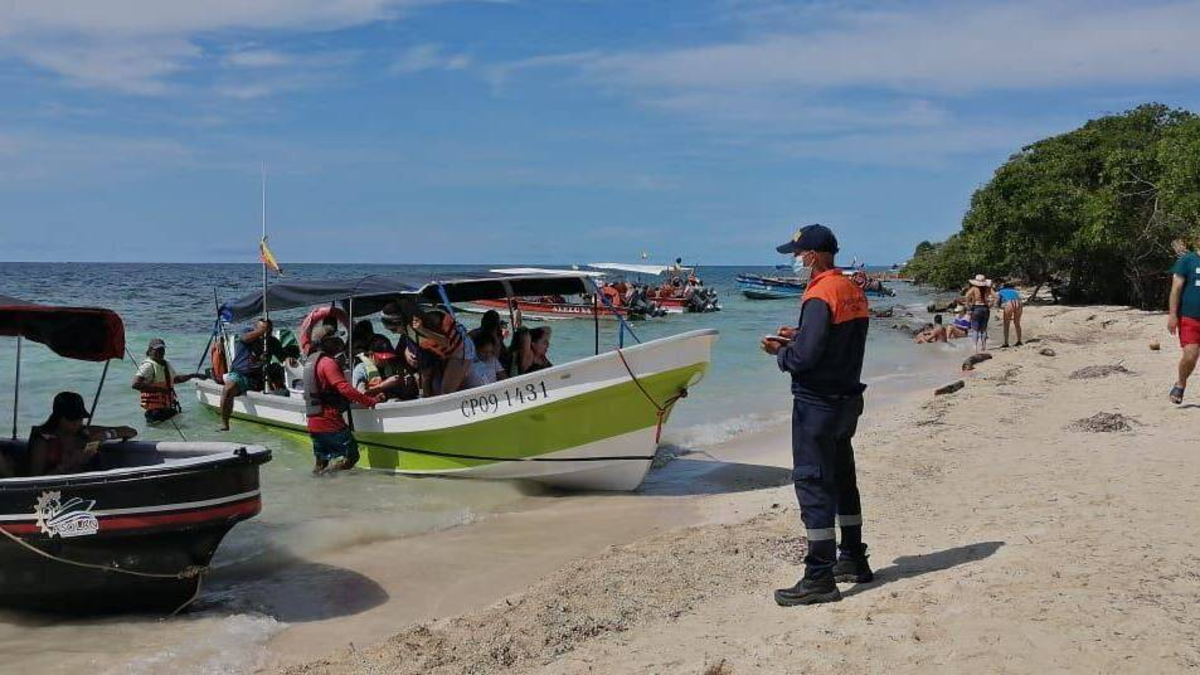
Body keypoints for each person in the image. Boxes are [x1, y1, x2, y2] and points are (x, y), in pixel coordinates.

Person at [761, 224, 871, 606]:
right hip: (847, 399)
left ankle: (819, 577)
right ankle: (854, 558)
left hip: (817, 403)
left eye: (798, 254)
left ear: (814, 255)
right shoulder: (851, 289)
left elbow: (806, 358)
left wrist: (779, 351)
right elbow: (837, 341)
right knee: (842, 478)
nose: (795, 261)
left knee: (813, 482)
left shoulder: (821, 292)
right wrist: (802, 332)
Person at [303, 328, 380, 473]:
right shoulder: (328, 363)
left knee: (321, 462)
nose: (340, 344)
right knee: (351, 457)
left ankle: (319, 486)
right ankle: (331, 476)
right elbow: (344, 388)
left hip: (313, 422)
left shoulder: (311, 361)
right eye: (337, 341)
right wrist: (369, 401)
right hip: (329, 420)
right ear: (328, 343)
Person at [28, 392, 137, 476]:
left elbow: (130, 431)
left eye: (80, 419)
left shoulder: (83, 432)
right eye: (72, 419)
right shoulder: (43, 441)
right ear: (59, 418)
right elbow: (35, 481)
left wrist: (104, 435)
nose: (77, 423)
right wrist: (68, 465)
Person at [219, 318, 273, 431]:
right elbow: (244, 338)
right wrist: (261, 331)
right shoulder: (247, 332)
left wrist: (289, 358)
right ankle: (225, 422)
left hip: (258, 378)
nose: (266, 331)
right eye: (262, 328)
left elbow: (283, 355)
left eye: (268, 329)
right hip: (240, 374)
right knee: (228, 389)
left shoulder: (271, 342)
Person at [131, 338, 200, 423]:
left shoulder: (166, 364)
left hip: (167, 407)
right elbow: (135, 384)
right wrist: (160, 390)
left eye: (162, 349)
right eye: (157, 350)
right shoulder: (148, 366)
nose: (160, 352)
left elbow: (175, 379)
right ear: (150, 351)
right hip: (154, 412)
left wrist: (193, 375)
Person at [412, 307, 473, 396]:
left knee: (447, 391)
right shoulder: (410, 331)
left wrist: (422, 330)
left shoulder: (433, 319)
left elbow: (445, 342)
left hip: (460, 349)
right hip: (445, 354)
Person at [1168, 238, 1200, 404]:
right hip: (1190, 317)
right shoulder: (1188, 261)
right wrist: (1172, 315)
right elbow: (1176, 288)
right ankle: (1181, 383)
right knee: (1190, 356)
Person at [353, 334, 416, 400]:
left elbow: (411, 393)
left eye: (388, 357)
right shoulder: (361, 369)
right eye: (382, 358)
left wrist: (408, 384)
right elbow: (360, 394)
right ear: (371, 354)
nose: (386, 361)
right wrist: (384, 385)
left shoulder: (393, 366)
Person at [965, 274, 993, 353]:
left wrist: (968, 305)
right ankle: (984, 346)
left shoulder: (974, 288)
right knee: (984, 329)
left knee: (975, 329)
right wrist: (991, 304)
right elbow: (996, 297)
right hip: (985, 308)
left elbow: (966, 296)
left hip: (976, 308)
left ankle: (975, 346)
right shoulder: (987, 288)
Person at [996, 281, 1024, 348]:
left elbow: (998, 301)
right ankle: (1019, 341)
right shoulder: (1015, 291)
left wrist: (999, 307)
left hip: (1008, 303)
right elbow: (1019, 298)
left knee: (1006, 324)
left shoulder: (1001, 291)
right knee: (1017, 323)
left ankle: (1006, 343)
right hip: (1018, 303)